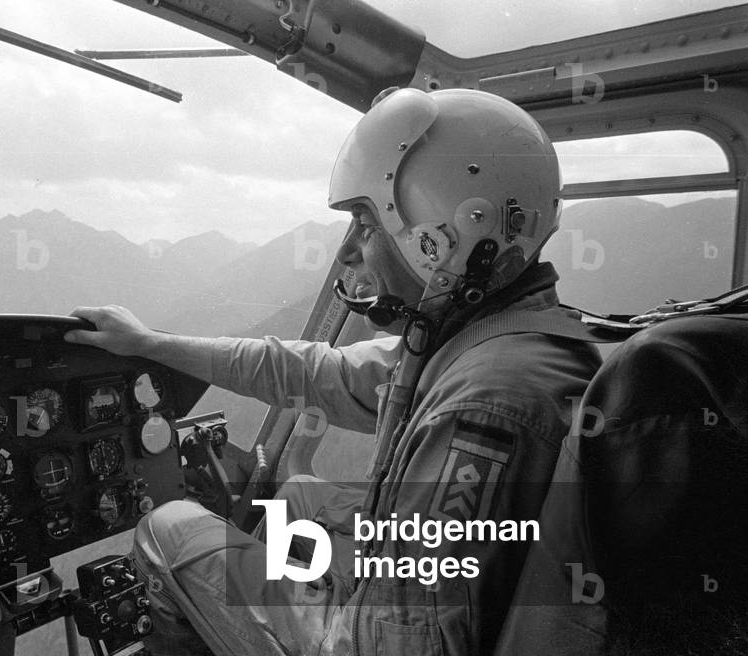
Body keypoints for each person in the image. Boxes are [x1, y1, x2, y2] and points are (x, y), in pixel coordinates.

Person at [64, 87, 601, 656]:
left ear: (448, 237)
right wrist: (151, 343)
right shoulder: (490, 340)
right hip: (439, 586)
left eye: (365, 223)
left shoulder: (484, 404)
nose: (348, 253)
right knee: (295, 496)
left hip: (373, 639)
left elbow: (392, 648)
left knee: (167, 528)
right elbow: (304, 370)